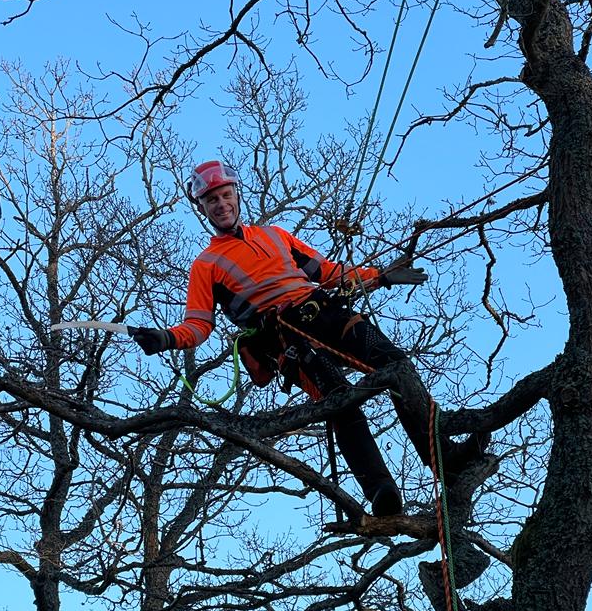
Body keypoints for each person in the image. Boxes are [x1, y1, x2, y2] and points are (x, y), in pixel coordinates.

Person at [132, 160, 445, 517]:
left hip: (326, 312)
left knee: (395, 365)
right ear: (202, 208)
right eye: (212, 200)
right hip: (287, 338)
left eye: (225, 195)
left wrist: (380, 276)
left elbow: (327, 272)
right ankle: (381, 490)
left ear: (236, 195)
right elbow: (198, 325)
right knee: (338, 397)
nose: (221, 204)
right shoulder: (207, 264)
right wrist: (166, 338)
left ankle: (443, 456)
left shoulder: (275, 235)